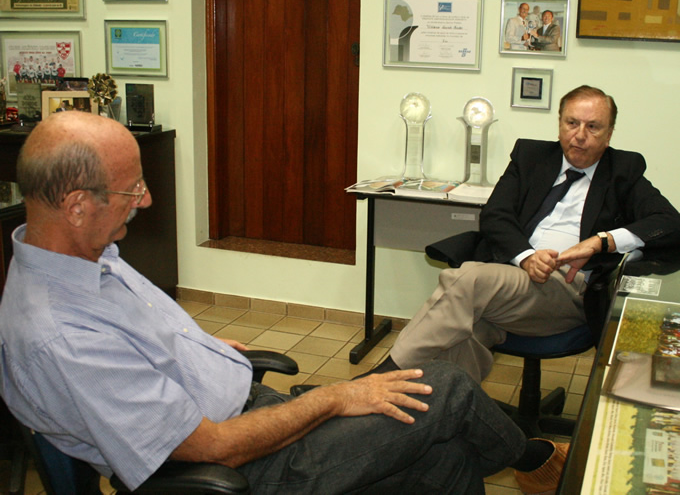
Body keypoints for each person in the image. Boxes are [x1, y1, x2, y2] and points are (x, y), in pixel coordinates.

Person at [0, 111, 568, 494]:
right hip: (252, 464)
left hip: (253, 407)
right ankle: (536, 461)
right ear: (76, 204)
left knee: (447, 458)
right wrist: (337, 399)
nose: (145, 200)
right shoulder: (59, 333)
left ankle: (511, 456)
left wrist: (200, 348)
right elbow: (213, 447)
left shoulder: (87, 257)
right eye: (133, 189)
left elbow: (142, 345)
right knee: (442, 388)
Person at [377, 85, 680, 383]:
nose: (580, 135)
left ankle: (382, 374)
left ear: (610, 133)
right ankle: (447, 415)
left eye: (593, 127)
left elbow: (670, 222)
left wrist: (603, 241)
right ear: (560, 123)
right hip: (510, 279)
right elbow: (495, 215)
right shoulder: (532, 157)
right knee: (464, 334)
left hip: (569, 289)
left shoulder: (621, 171)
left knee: (464, 278)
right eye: (571, 123)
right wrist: (525, 258)